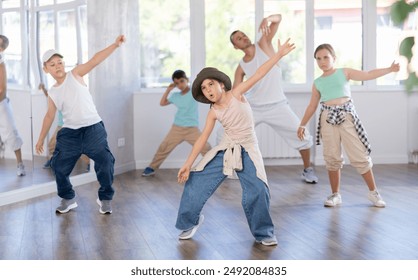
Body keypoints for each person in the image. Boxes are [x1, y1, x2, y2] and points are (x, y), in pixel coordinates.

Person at [175, 38, 295, 246]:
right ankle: (190, 221)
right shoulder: (213, 112)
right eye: (204, 88)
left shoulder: (236, 93)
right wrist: (187, 165)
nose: (208, 89)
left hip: (248, 147)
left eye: (211, 84)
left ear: (221, 84)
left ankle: (264, 232)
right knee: (195, 181)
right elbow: (202, 138)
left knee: (257, 189)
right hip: (226, 148)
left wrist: (278, 55)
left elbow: (259, 74)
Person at [297, 43, 400, 207]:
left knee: (359, 155)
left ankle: (374, 193)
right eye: (318, 59)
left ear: (334, 58)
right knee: (332, 157)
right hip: (327, 118)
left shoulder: (344, 72)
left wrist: (389, 69)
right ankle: (335, 195)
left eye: (325, 57)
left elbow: (368, 74)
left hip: (346, 116)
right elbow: (312, 106)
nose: (322, 61)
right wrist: (302, 125)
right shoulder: (317, 83)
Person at [35, 34, 126, 214]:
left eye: (59, 62)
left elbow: (94, 61)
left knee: (106, 162)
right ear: (46, 70)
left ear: (63, 63)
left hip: (93, 128)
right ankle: (68, 198)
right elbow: (49, 116)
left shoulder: (75, 74)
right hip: (70, 133)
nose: (57, 66)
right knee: (58, 166)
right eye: (52, 65)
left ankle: (105, 197)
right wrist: (40, 139)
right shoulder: (52, 93)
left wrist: (115, 45)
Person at [230, 14, 318, 184]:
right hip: (253, 107)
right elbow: (236, 92)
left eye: (243, 34)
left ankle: (308, 169)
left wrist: (267, 19)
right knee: (225, 133)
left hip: (277, 105)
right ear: (236, 46)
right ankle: (230, 168)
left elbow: (278, 19)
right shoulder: (240, 67)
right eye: (239, 38)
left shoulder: (263, 44)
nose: (244, 38)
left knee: (302, 135)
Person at [142, 70, 211, 177]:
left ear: (187, 80)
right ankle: (152, 167)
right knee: (164, 147)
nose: (180, 85)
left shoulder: (194, 92)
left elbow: (206, 93)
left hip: (192, 129)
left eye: (182, 81)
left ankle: (214, 168)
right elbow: (162, 103)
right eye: (177, 83)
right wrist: (168, 90)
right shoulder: (175, 96)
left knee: (205, 147)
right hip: (177, 128)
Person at [38, 83, 90, 171]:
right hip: (61, 125)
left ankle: (89, 163)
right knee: (52, 145)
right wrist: (43, 89)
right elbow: (50, 95)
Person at [0, 34, 25, 176]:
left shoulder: (1, 64)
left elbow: (2, 91)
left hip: (1, 104)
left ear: (2, 48)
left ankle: (20, 164)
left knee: (11, 133)